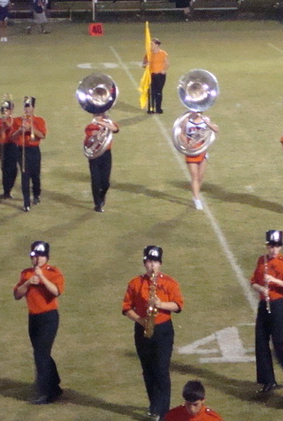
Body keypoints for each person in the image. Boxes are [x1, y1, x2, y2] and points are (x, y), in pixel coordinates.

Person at [123, 246, 183, 421]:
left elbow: (178, 305)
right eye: (149, 261)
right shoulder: (135, 283)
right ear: (144, 263)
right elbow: (126, 308)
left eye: (155, 262)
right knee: (148, 369)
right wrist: (140, 320)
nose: (151, 266)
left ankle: (164, 412)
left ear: (160, 264)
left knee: (161, 370)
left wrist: (161, 304)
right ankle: (154, 405)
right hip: (142, 329)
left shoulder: (169, 282)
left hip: (163, 330)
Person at [250, 230, 283, 394]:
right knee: (260, 342)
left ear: (280, 247)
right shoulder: (262, 260)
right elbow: (253, 281)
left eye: (277, 246)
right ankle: (268, 380)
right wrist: (260, 288)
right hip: (263, 304)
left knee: (278, 342)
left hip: (278, 305)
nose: (274, 249)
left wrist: (275, 281)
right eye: (271, 245)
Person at [13, 241, 64, 404]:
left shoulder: (53, 272)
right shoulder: (26, 274)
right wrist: (28, 282)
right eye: (35, 256)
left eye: (40, 256)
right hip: (33, 318)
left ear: (46, 257)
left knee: (40, 354)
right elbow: (17, 294)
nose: (37, 260)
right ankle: (55, 385)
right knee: (41, 352)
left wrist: (41, 277)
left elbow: (56, 291)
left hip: (49, 317)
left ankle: (45, 392)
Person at [12, 96, 46, 211]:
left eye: (29, 107)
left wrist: (31, 128)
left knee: (35, 175)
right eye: (26, 107)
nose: (27, 109)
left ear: (33, 108)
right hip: (22, 150)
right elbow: (12, 137)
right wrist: (20, 130)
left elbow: (42, 135)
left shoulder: (39, 120)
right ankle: (26, 202)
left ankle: (36, 194)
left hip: (34, 150)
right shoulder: (17, 120)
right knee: (24, 175)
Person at [180, 111, 218, 210]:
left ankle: (195, 194)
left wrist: (208, 123)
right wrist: (187, 144)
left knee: (200, 176)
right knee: (195, 175)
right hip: (191, 152)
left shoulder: (205, 120)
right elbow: (181, 134)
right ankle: (197, 200)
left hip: (202, 151)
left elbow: (216, 130)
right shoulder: (187, 121)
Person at [84, 112, 118, 212]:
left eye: (99, 115)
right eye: (95, 115)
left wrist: (102, 123)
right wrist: (95, 132)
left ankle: (102, 196)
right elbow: (90, 138)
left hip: (106, 155)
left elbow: (115, 129)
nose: (97, 117)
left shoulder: (108, 124)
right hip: (94, 156)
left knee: (106, 183)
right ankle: (97, 204)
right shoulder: (90, 126)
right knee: (95, 181)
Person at [0, 97, 18, 199]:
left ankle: (9, 188)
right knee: (5, 168)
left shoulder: (16, 121)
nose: (5, 112)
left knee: (14, 169)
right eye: (4, 110)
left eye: (7, 109)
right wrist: (3, 128)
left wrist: (9, 126)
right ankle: (6, 191)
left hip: (13, 146)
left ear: (11, 110)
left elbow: (16, 134)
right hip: (2, 146)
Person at [142, 38, 169, 114]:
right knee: (151, 92)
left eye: (152, 44)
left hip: (160, 75)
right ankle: (151, 108)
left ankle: (158, 108)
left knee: (159, 92)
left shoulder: (163, 53)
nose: (151, 46)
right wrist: (146, 65)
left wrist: (164, 70)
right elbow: (143, 64)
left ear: (157, 45)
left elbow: (167, 63)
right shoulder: (148, 54)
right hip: (151, 75)